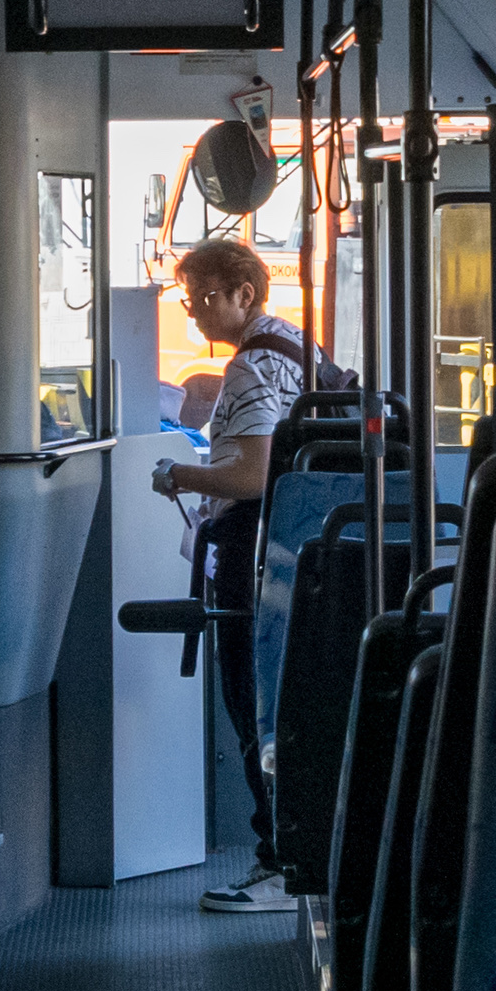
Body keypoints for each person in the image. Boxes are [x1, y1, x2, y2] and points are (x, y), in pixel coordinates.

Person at [152, 238, 316, 913]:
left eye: (204, 297)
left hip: (251, 549)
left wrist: (180, 474)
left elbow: (250, 474)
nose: (193, 312)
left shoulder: (250, 369)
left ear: (243, 293)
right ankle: (292, 854)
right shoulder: (292, 346)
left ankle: (279, 863)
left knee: (251, 706)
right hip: (289, 549)